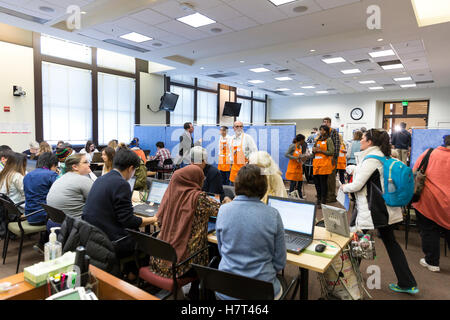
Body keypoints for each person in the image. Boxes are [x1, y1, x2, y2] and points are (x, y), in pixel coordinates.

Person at [342, 129, 418, 294]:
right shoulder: (383, 156)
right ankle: (407, 282)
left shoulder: (370, 159)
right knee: (390, 243)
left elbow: (357, 185)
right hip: (385, 209)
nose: (360, 141)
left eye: (362, 138)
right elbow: (373, 177)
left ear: (369, 142)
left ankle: (349, 280)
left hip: (372, 210)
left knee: (357, 241)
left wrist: (343, 187)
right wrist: (354, 168)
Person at [216, 164, 286, 300]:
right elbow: (280, 262)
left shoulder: (223, 211)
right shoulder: (273, 214)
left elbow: (221, 250)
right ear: (263, 187)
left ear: (236, 185)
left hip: (226, 290)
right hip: (262, 291)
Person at [149, 165, 220, 299]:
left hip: (158, 261)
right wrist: (228, 201)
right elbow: (221, 210)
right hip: (181, 266)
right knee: (213, 254)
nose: (203, 180)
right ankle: (202, 296)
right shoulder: (199, 197)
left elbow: (159, 220)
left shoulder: (170, 194)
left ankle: (193, 292)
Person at [82, 149, 156, 272]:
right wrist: (153, 219)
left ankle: (130, 272)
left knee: (135, 234)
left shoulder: (101, 179)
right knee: (149, 240)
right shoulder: (122, 184)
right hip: (111, 241)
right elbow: (129, 221)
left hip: (93, 236)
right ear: (130, 168)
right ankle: (137, 275)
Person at [412, 135, 450, 272]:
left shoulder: (429, 153)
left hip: (428, 199)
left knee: (429, 230)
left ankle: (432, 262)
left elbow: (415, 171)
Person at [46, 154, 93, 219]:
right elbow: (99, 202)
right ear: (75, 167)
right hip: (76, 225)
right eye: (85, 162)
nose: (89, 164)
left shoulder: (61, 178)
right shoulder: (82, 180)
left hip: (56, 222)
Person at [23, 152, 59, 228]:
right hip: (43, 216)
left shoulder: (28, 175)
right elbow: (59, 192)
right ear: (53, 165)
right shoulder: (51, 175)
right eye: (56, 167)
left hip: (29, 215)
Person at [312, 125, 334, 206]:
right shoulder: (317, 140)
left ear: (326, 131)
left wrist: (321, 151)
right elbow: (314, 151)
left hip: (324, 165)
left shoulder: (329, 140)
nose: (321, 131)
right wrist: (313, 150)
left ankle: (323, 200)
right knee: (317, 183)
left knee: (323, 183)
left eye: (322, 130)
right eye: (320, 130)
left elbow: (331, 152)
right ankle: (318, 198)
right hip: (316, 165)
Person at [285, 134, 308, 199]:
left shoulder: (300, 147)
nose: (304, 141)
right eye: (303, 140)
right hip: (293, 168)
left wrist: (304, 158)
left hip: (299, 167)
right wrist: (295, 157)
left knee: (300, 182)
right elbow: (286, 154)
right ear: (300, 140)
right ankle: (291, 197)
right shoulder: (292, 146)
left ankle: (299, 196)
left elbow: (299, 156)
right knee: (293, 183)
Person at [323, 117, 340, 203]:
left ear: (330, 123)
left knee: (331, 178)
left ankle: (331, 196)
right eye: (324, 122)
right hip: (324, 159)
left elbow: (337, 145)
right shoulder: (323, 133)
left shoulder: (333, 131)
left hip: (332, 158)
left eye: (326, 122)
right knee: (325, 178)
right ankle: (325, 194)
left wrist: (335, 157)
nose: (325, 123)